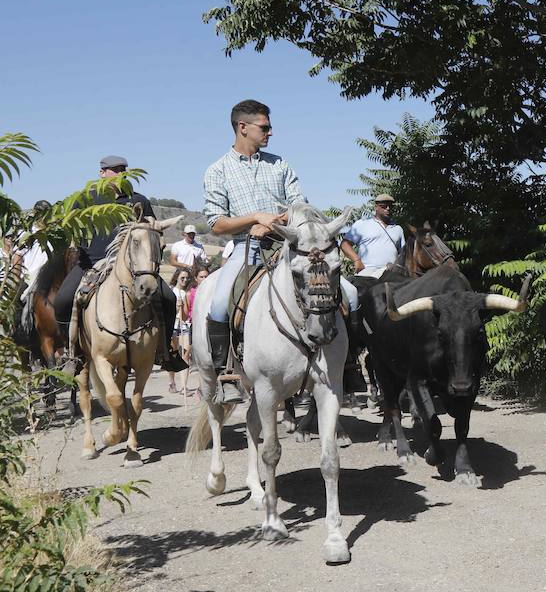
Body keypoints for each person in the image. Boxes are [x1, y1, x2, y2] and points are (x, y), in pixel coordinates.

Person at [202, 99, 359, 402]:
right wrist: (254, 219)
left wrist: (273, 222)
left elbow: (300, 206)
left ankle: (348, 366)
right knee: (220, 302)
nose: (270, 133)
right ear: (242, 127)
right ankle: (227, 375)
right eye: (265, 127)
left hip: (290, 246)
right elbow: (217, 224)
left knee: (350, 294)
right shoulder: (217, 170)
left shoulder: (280, 164)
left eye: (270, 127)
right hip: (246, 248)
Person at [54, 155, 185, 373]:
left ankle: (165, 352)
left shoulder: (138, 200)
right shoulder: (85, 198)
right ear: (101, 173)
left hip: (132, 268)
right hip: (92, 263)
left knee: (168, 298)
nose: (119, 173)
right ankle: (72, 355)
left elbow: (150, 232)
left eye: (123, 169)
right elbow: (73, 231)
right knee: (62, 300)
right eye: (114, 169)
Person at [341, 193, 404, 275]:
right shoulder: (362, 224)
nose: (388, 209)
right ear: (376, 207)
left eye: (390, 206)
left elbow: (403, 253)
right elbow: (345, 245)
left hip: (391, 273)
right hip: (368, 271)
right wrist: (357, 260)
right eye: (384, 206)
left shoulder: (398, 229)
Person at [168, 268, 192, 392]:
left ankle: (184, 386)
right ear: (177, 277)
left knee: (186, 354)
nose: (185, 280)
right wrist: (174, 308)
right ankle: (172, 382)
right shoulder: (170, 291)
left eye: (187, 278)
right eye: (182, 277)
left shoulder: (186, 293)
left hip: (184, 326)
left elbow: (186, 315)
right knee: (173, 354)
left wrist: (182, 308)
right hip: (173, 326)